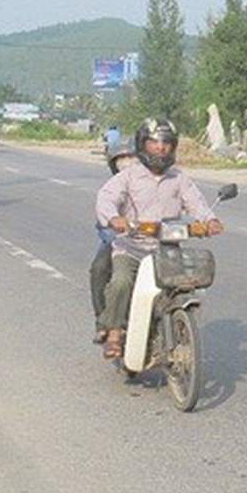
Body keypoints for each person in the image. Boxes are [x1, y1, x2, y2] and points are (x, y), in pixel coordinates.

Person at [96, 117, 223, 359]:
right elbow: (107, 197)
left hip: (167, 248)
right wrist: (115, 219)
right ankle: (114, 333)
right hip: (132, 247)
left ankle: (173, 323)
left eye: (166, 143)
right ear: (142, 145)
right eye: (154, 142)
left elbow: (196, 203)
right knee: (121, 281)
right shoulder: (129, 176)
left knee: (181, 287)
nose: (160, 148)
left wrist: (209, 220)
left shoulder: (179, 178)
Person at [89, 137, 139, 345]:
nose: (127, 161)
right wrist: (118, 229)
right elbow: (104, 221)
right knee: (99, 268)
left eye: (131, 156)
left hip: (155, 243)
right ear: (114, 163)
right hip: (119, 243)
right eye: (122, 158)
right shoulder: (111, 189)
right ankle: (103, 321)